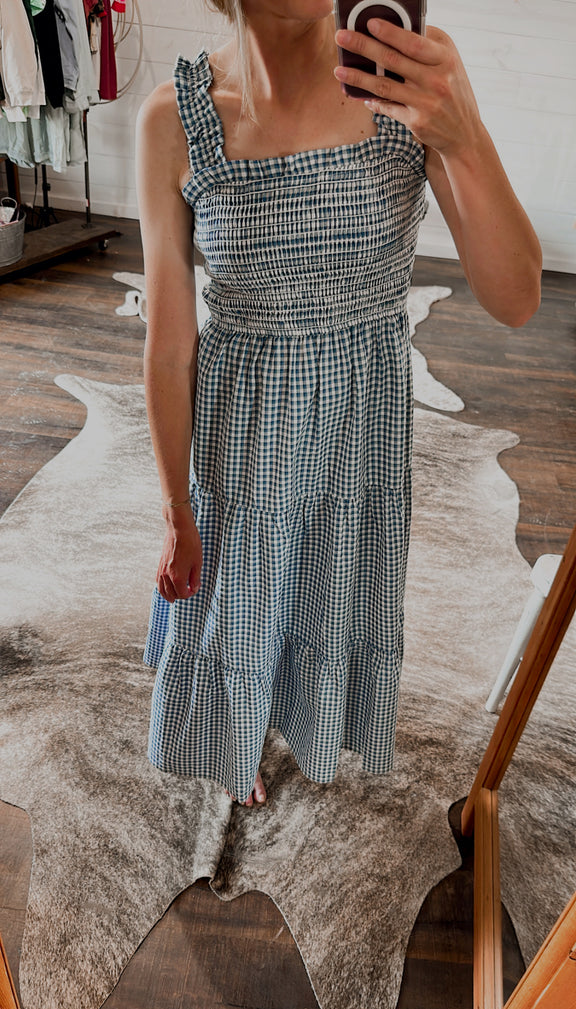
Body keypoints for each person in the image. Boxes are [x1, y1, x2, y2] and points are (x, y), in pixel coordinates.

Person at [136, 0, 541, 808]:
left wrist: (462, 135)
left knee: (326, 585)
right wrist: (176, 508)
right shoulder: (175, 119)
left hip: (362, 430)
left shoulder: (406, 80)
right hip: (245, 433)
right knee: (242, 599)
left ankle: (296, 718)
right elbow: (170, 345)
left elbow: (516, 298)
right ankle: (235, 733)